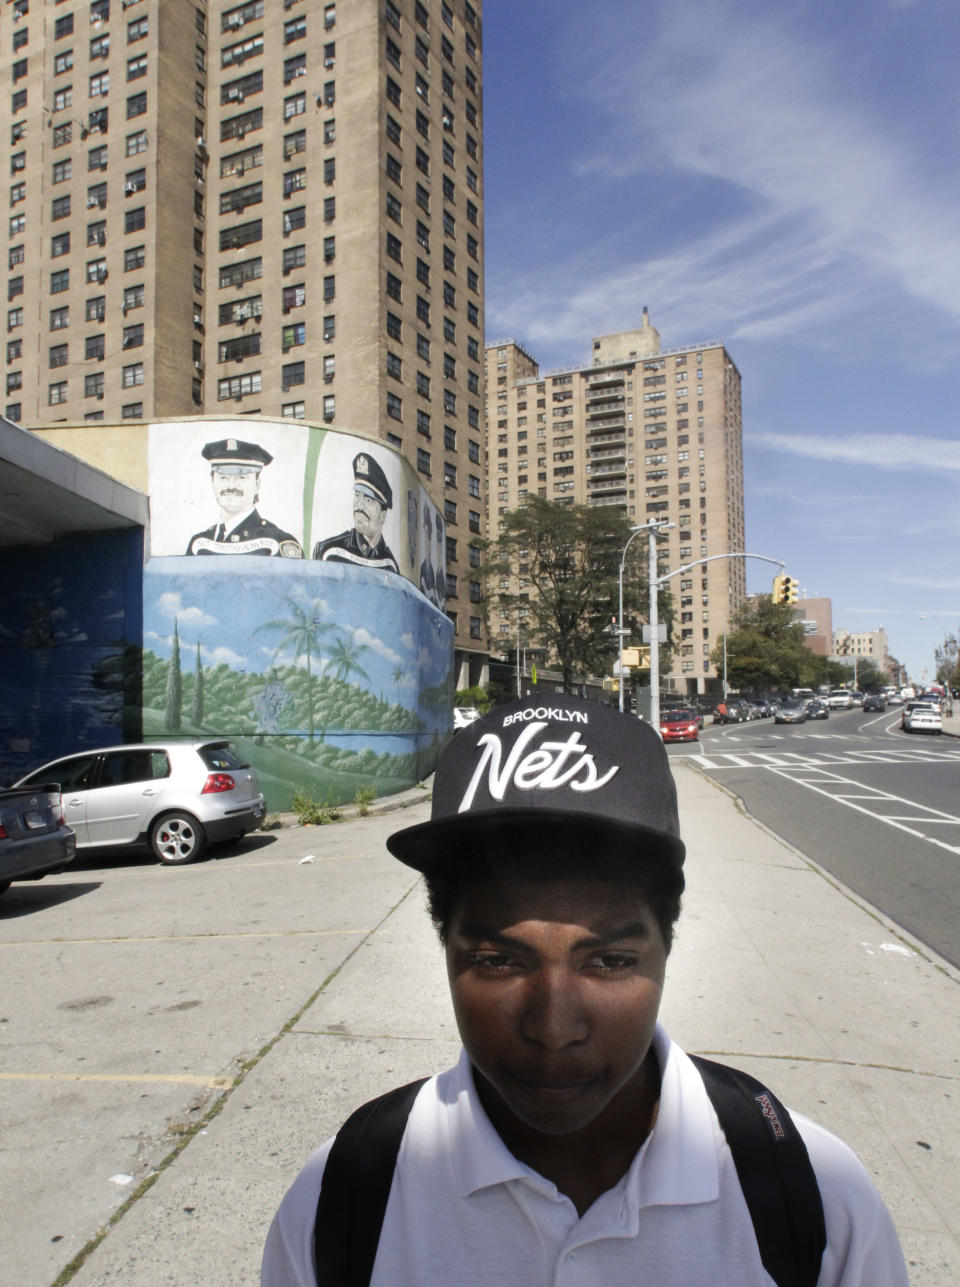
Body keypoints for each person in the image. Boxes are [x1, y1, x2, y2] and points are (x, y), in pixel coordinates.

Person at [261, 695, 908, 1286]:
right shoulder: (345, 1197)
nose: (554, 1025)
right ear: (444, 943)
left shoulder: (815, 1199)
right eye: (496, 960)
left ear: (668, 942)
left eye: (609, 960)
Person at [186, 439, 303, 557]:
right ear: (212, 482)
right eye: (223, 477)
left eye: (241, 477)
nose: (231, 486)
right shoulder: (198, 544)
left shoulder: (276, 542)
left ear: (257, 485)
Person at [312, 452, 400, 575]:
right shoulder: (329, 551)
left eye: (368, 500)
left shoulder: (389, 564)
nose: (359, 505)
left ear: (383, 515)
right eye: (357, 495)